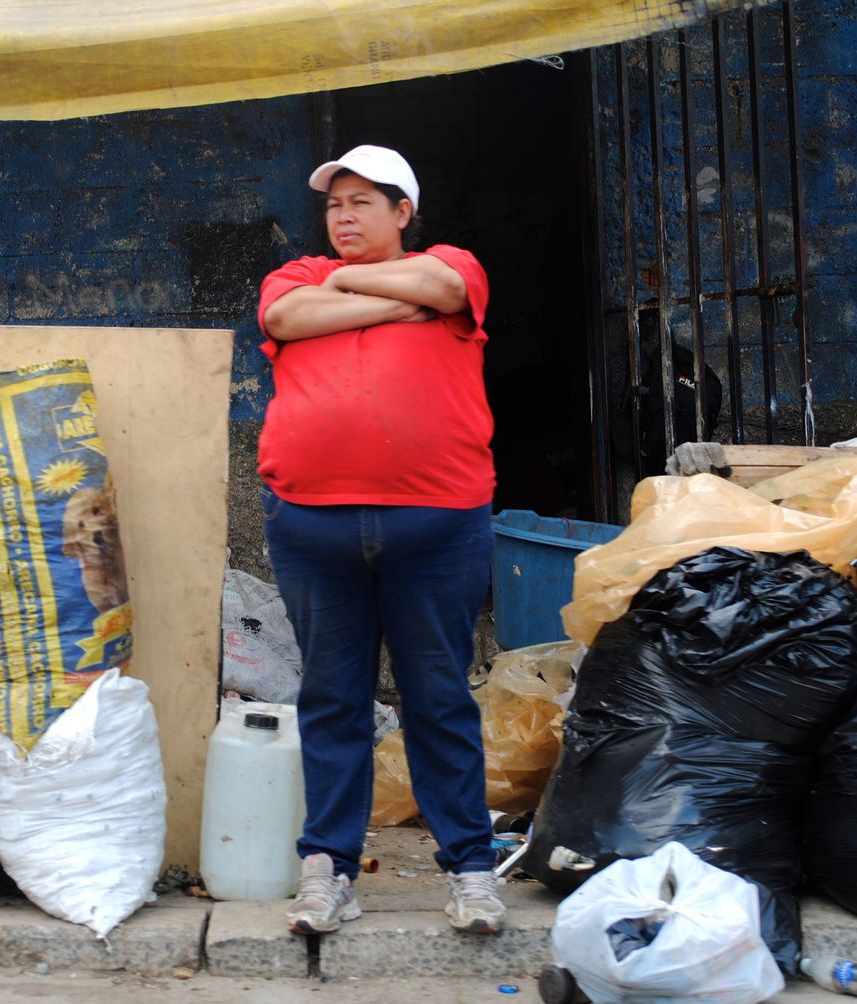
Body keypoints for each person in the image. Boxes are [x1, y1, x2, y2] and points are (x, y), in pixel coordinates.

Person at [256, 145, 505, 935]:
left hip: (435, 524)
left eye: (363, 202)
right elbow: (285, 318)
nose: (343, 217)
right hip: (314, 525)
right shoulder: (294, 276)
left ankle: (470, 868)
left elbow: (441, 286)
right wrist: (393, 302)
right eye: (335, 204)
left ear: (404, 213)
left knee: (439, 697)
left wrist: (353, 286)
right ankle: (327, 871)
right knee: (332, 699)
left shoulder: (450, 264)